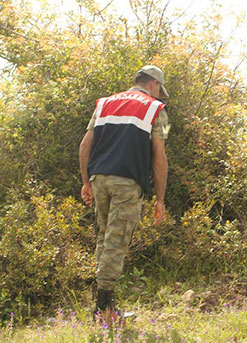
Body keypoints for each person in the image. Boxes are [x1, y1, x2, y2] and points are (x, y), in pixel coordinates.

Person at [79, 65, 170, 316]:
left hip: (99, 180)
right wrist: (160, 199)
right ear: (153, 84)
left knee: (103, 240)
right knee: (116, 243)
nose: (160, 96)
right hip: (127, 183)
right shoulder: (155, 109)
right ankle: (103, 308)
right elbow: (158, 157)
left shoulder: (105, 104)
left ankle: (104, 303)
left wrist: (86, 182)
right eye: (160, 90)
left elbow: (85, 144)